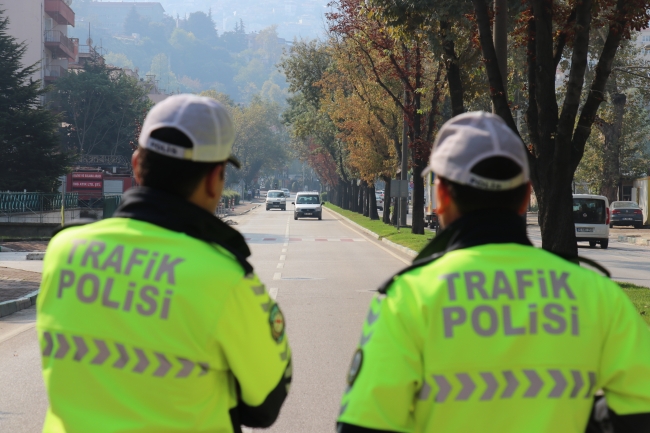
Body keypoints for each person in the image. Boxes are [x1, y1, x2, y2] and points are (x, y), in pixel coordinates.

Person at [336, 112, 650, 433]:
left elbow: (363, 426)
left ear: (441, 196)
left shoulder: (409, 299)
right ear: (526, 195)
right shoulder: (597, 295)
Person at [37, 94, 291, 433]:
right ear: (216, 179)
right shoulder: (224, 279)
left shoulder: (63, 251)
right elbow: (265, 405)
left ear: (136, 164)